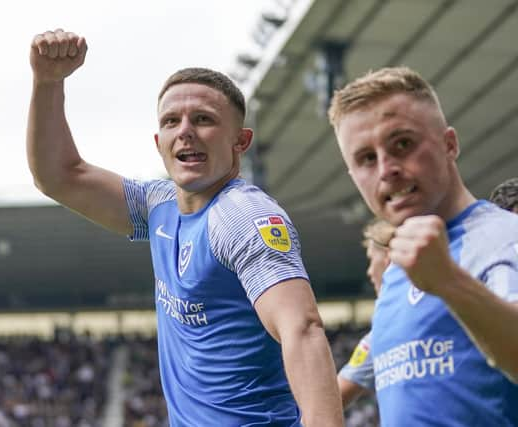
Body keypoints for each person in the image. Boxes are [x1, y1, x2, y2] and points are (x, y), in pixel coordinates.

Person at [26, 29, 343, 426]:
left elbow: (303, 328)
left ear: (240, 141)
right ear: (159, 142)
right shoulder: (158, 205)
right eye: (172, 121)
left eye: (204, 119)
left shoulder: (243, 216)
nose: (185, 130)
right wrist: (48, 82)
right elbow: (58, 176)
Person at [328, 66, 518, 425]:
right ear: (353, 177)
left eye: (403, 144)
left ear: (450, 144)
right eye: (366, 158)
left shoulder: (504, 237)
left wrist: (447, 281)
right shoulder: (398, 273)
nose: (386, 169)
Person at [337, 218, 391, 409]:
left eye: (371, 259)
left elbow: (335, 397)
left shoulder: (388, 325)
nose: (369, 272)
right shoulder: (382, 329)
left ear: (389, 257)